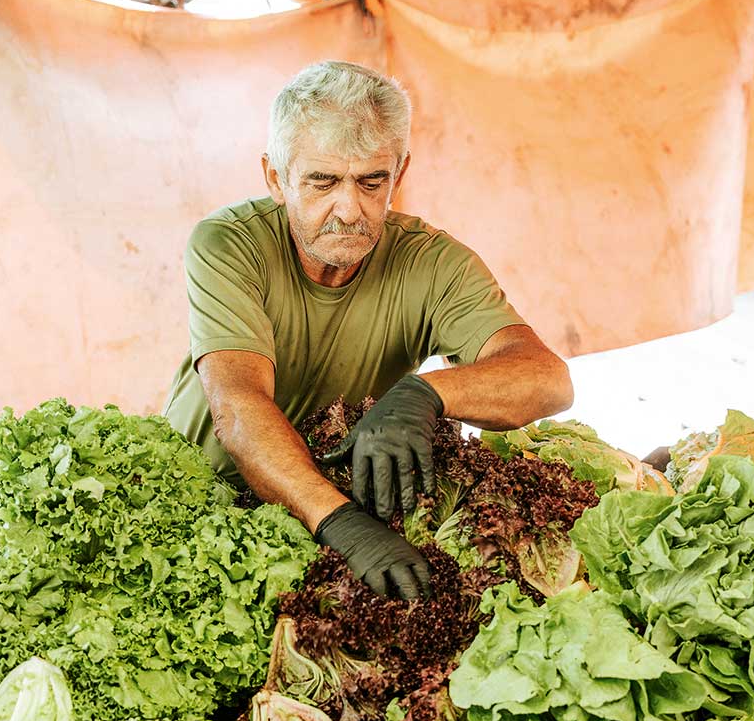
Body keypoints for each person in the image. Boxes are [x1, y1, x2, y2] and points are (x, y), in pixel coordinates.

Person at [165, 61, 573, 600]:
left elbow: (548, 380)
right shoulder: (229, 245)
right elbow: (238, 403)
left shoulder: (431, 264)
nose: (348, 209)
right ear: (275, 178)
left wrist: (425, 392)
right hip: (194, 505)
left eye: (371, 181)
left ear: (398, 175)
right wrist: (344, 526)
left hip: (313, 526)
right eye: (322, 181)